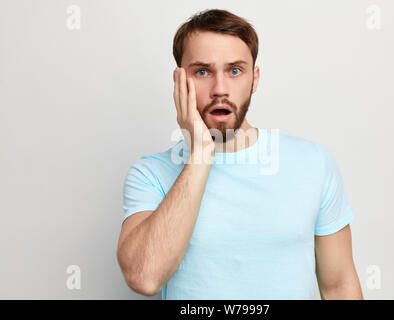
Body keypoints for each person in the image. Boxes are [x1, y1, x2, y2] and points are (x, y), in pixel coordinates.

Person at [116, 8, 363, 300]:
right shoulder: (150, 174)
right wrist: (202, 152)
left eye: (235, 70)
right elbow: (145, 278)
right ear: (180, 82)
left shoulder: (313, 163)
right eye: (202, 72)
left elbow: (339, 286)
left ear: (254, 79)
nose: (220, 90)